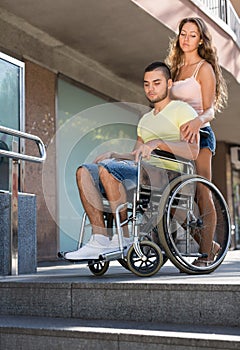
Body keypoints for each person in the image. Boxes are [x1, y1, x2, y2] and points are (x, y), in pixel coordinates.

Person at [64, 61, 199, 261]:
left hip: (170, 173)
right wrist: (116, 154)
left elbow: (193, 151)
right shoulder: (145, 119)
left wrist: (158, 143)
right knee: (84, 171)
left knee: (108, 170)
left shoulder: (182, 111)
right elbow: (136, 154)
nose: (150, 89)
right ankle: (99, 239)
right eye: (146, 84)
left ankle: (124, 237)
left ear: (169, 84)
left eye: (156, 83)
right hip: (142, 171)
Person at [165, 17, 228, 266]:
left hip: (200, 135)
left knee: (203, 192)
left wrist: (195, 122)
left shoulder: (204, 69)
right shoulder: (174, 69)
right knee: (167, 200)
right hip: (174, 139)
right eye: (183, 33)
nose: (186, 38)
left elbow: (210, 110)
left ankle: (205, 254)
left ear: (201, 40)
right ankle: (208, 244)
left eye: (192, 34)